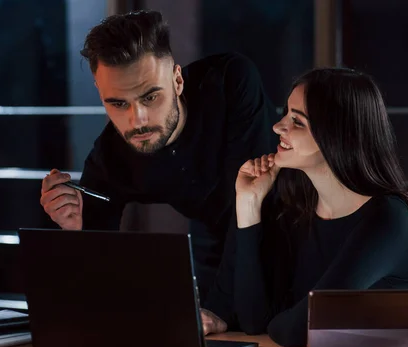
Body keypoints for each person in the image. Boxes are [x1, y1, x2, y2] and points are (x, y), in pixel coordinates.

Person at [39, 11, 278, 299]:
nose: (137, 120)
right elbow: (94, 273)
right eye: (117, 103)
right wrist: (76, 227)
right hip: (211, 237)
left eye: (150, 97)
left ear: (177, 81)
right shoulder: (109, 159)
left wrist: (222, 307)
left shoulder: (230, 82)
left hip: (285, 220)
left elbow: (252, 202)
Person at [201, 68, 408, 347]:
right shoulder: (295, 210)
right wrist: (248, 204)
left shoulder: (388, 217)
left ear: (337, 137)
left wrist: (286, 319)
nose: (278, 127)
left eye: (297, 122)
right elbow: (254, 321)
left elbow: (294, 331)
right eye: (286, 114)